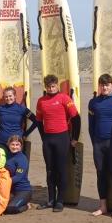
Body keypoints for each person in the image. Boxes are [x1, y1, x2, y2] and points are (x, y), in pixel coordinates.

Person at [35, 74, 80, 212]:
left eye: (53, 86)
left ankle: (60, 200)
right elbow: (39, 121)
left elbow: (76, 118)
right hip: (48, 139)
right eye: (48, 87)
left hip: (62, 138)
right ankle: (51, 199)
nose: (51, 89)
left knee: (61, 169)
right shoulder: (41, 101)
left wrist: (75, 138)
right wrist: (43, 137)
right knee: (50, 170)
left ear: (57, 86)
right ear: (45, 87)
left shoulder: (64, 98)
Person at [87, 73, 112, 218]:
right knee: (101, 174)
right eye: (102, 85)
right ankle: (103, 206)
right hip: (98, 144)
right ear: (99, 86)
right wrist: (94, 143)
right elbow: (91, 126)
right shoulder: (93, 103)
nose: (104, 87)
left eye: (107, 85)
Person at [0, 86, 38, 151]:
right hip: (2, 142)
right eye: (6, 96)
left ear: (15, 96)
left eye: (10, 96)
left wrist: (26, 134)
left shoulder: (22, 109)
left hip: (16, 143)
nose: (8, 98)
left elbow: (36, 121)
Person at [4, 135, 32, 214]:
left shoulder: (22, 159)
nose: (15, 147)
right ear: (8, 145)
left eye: (17, 145)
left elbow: (18, 177)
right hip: (10, 190)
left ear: (21, 146)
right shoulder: (6, 156)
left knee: (10, 209)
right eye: (12, 144)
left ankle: (27, 206)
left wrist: (3, 181)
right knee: (1, 206)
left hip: (23, 190)